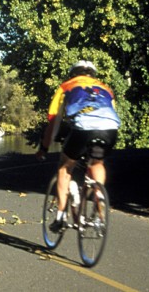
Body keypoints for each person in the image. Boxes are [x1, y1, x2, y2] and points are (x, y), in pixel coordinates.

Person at [35, 60, 121, 232]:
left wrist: (44, 147)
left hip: (84, 128)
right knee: (97, 163)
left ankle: (60, 216)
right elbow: (111, 113)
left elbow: (54, 121)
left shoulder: (66, 86)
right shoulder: (105, 88)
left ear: (73, 73)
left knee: (65, 167)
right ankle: (99, 196)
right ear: (93, 75)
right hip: (110, 128)